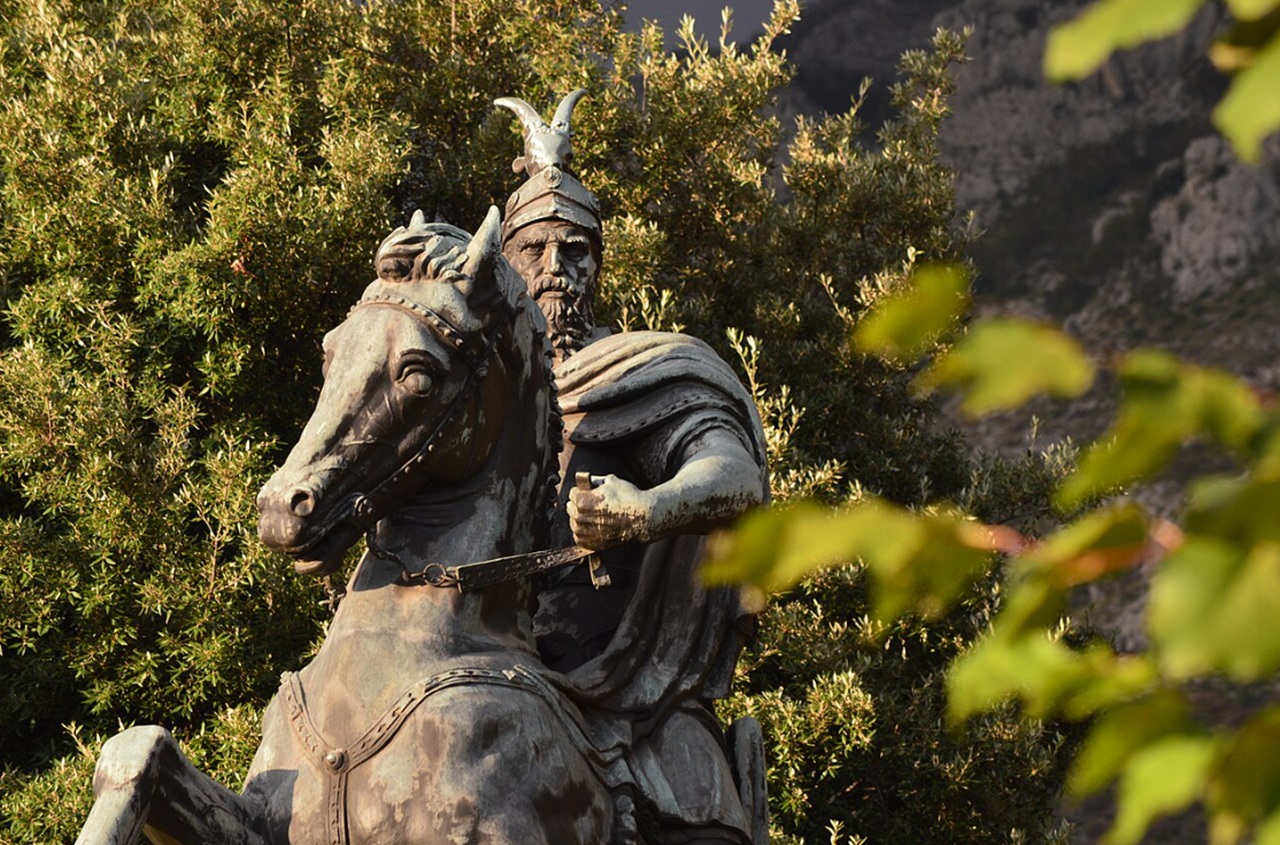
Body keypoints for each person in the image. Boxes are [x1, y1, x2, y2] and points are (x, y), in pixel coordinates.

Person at [495, 91, 771, 845]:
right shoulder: (474, 393)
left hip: (625, 689)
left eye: (576, 251)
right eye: (535, 251)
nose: (557, 269)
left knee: (700, 816)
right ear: (505, 264)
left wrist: (646, 510)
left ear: (598, 265)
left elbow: (733, 475)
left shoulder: (640, 375)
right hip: (483, 669)